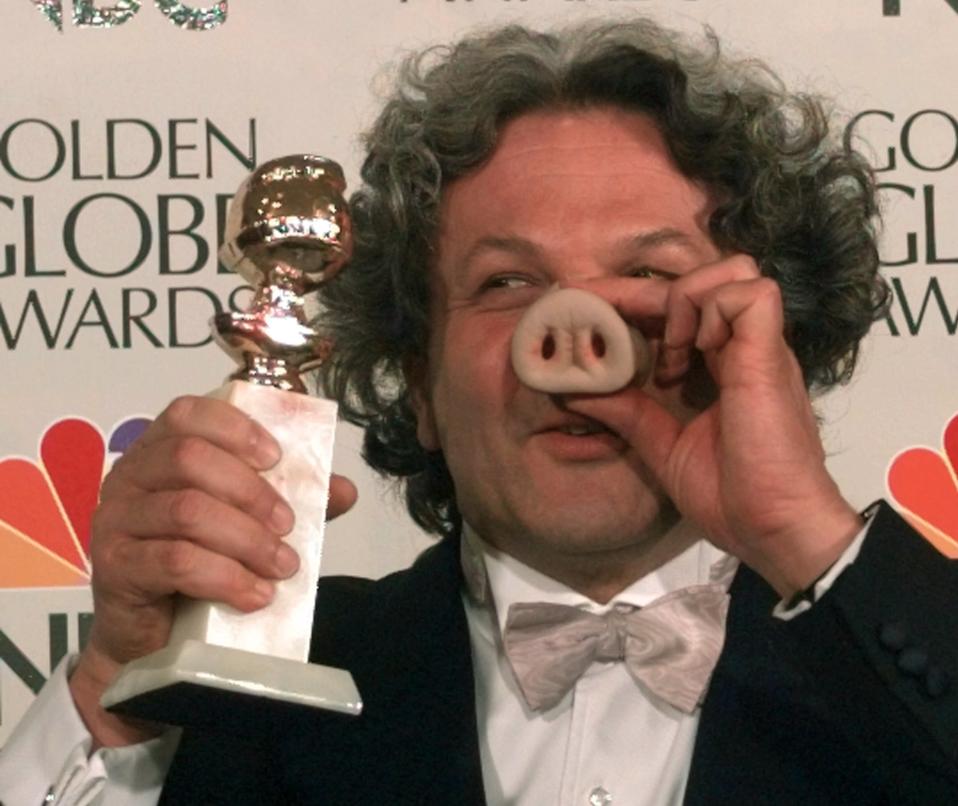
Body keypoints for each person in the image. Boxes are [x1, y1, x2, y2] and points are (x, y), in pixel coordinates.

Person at [2, 17, 957, 805]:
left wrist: (802, 534)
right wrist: (116, 689)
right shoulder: (250, 694)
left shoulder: (885, 666)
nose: (579, 347)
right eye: (507, 282)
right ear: (418, 380)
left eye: (650, 278)